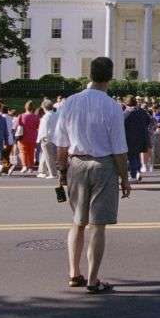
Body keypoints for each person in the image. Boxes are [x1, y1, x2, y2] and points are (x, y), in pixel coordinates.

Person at [54, 56, 130, 293]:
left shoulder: (70, 102)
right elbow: (119, 149)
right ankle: (93, 279)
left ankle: (73, 273)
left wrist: (62, 171)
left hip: (76, 164)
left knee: (77, 223)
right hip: (103, 165)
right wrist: (125, 178)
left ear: (90, 74)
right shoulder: (112, 106)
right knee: (97, 225)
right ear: (110, 77)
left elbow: (61, 144)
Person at [123, 95, 151, 183]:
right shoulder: (142, 111)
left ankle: (133, 175)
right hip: (142, 137)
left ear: (127, 103)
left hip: (130, 138)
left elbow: (121, 124)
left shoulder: (127, 112)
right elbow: (148, 121)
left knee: (131, 157)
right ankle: (138, 172)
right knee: (137, 156)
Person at [36, 99, 59, 179]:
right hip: (54, 137)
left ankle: (53, 173)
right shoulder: (56, 115)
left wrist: (41, 138)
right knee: (45, 155)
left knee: (48, 156)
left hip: (46, 138)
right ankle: (41, 171)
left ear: (44, 107)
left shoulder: (46, 117)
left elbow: (43, 129)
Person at [15, 101, 40, 173]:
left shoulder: (21, 116)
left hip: (23, 136)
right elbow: (38, 126)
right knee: (31, 152)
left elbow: (17, 126)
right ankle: (31, 167)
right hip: (33, 136)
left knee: (23, 151)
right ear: (33, 108)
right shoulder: (36, 117)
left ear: (25, 107)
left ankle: (24, 166)